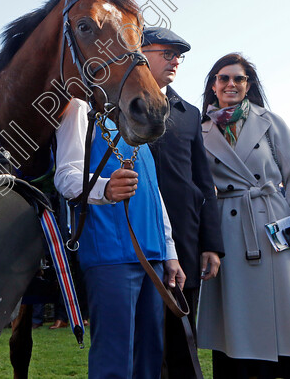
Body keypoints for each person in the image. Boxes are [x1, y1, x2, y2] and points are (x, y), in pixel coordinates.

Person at [197, 53, 290, 378]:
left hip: (277, 227)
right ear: (213, 85)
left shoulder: (269, 121)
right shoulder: (201, 130)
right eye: (224, 78)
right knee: (240, 317)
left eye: (239, 78)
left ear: (248, 86)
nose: (231, 84)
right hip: (230, 231)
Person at [54, 98, 185, 379]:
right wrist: (105, 188)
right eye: (166, 52)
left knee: (149, 360)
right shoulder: (79, 107)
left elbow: (152, 190)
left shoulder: (135, 113)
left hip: (153, 254)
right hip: (110, 253)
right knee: (114, 363)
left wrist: (169, 251)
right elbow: (66, 176)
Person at [140, 27, 224, 378]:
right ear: (140, 53)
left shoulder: (189, 113)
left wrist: (211, 245)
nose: (175, 61)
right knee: (140, 344)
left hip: (185, 243)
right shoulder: (112, 107)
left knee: (180, 340)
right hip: (134, 241)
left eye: (179, 55)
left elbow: (204, 183)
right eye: (167, 53)